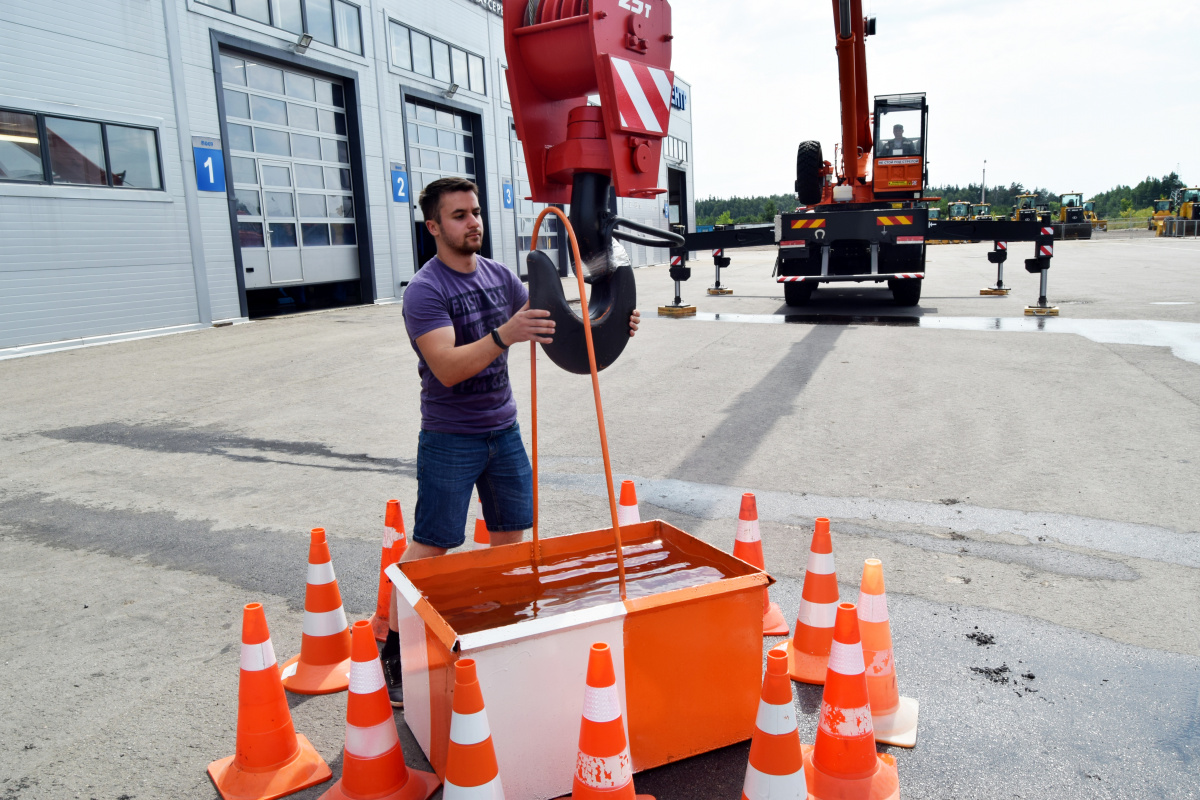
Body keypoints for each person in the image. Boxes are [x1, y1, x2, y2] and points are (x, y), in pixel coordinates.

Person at [379, 176, 640, 705]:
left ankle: (494, 635)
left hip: (505, 430)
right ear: (433, 226)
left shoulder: (499, 277)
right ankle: (389, 647)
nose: (473, 221)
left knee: (509, 539)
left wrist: (608, 322)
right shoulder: (426, 291)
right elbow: (448, 368)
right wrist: (504, 335)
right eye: (458, 215)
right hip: (451, 436)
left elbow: (555, 326)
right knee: (432, 547)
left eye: (475, 212)